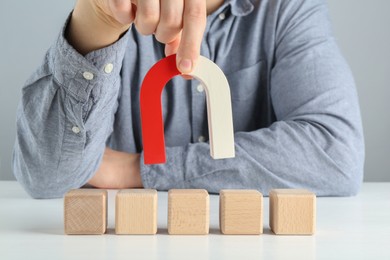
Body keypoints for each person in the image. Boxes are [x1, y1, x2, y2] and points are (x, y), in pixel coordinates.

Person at [12, 0, 365, 199]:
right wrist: (96, 24)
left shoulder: (288, 9)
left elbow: (335, 155)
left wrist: (137, 169)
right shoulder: (114, 10)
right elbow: (45, 177)